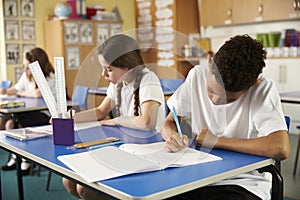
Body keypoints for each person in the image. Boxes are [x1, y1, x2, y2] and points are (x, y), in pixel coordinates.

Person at [161, 34, 290, 200]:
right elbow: (169, 122)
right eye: (211, 90)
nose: (215, 101)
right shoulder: (196, 77)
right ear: (210, 63)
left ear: (253, 84)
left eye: (229, 99)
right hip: (195, 178)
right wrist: (171, 136)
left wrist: (217, 141)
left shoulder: (262, 89)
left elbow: (281, 147)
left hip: (242, 183)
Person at [62, 34, 166, 200]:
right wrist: (70, 118)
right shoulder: (117, 83)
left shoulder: (148, 79)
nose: (104, 74)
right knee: (68, 180)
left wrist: (116, 120)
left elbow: (147, 122)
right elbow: (100, 112)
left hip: (149, 151)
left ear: (129, 67)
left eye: (109, 69)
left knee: (84, 189)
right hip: (125, 146)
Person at [0, 47, 55, 175]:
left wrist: (19, 92)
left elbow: (37, 94)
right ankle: (16, 157)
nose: (25, 70)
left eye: (28, 67)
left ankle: (26, 160)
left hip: (46, 114)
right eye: (24, 66)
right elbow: (17, 88)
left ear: (38, 65)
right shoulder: (27, 75)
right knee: (8, 123)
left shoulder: (50, 76)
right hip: (30, 112)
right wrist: (7, 91)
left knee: (15, 122)